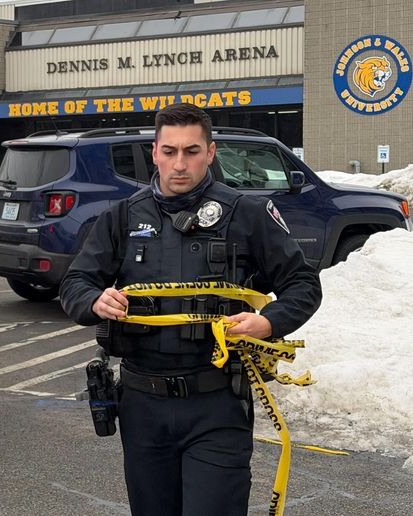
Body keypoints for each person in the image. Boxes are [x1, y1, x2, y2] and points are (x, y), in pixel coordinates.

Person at [59, 103, 322, 515]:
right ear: (154, 152)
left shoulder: (245, 214)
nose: (179, 163)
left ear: (211, 152)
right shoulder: (123, 216)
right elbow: (75, 283)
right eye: (170, 151)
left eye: (192, 151)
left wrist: (267, 321)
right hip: (143, 406)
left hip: (216, 403)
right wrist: (94, 300)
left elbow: (303, 283)